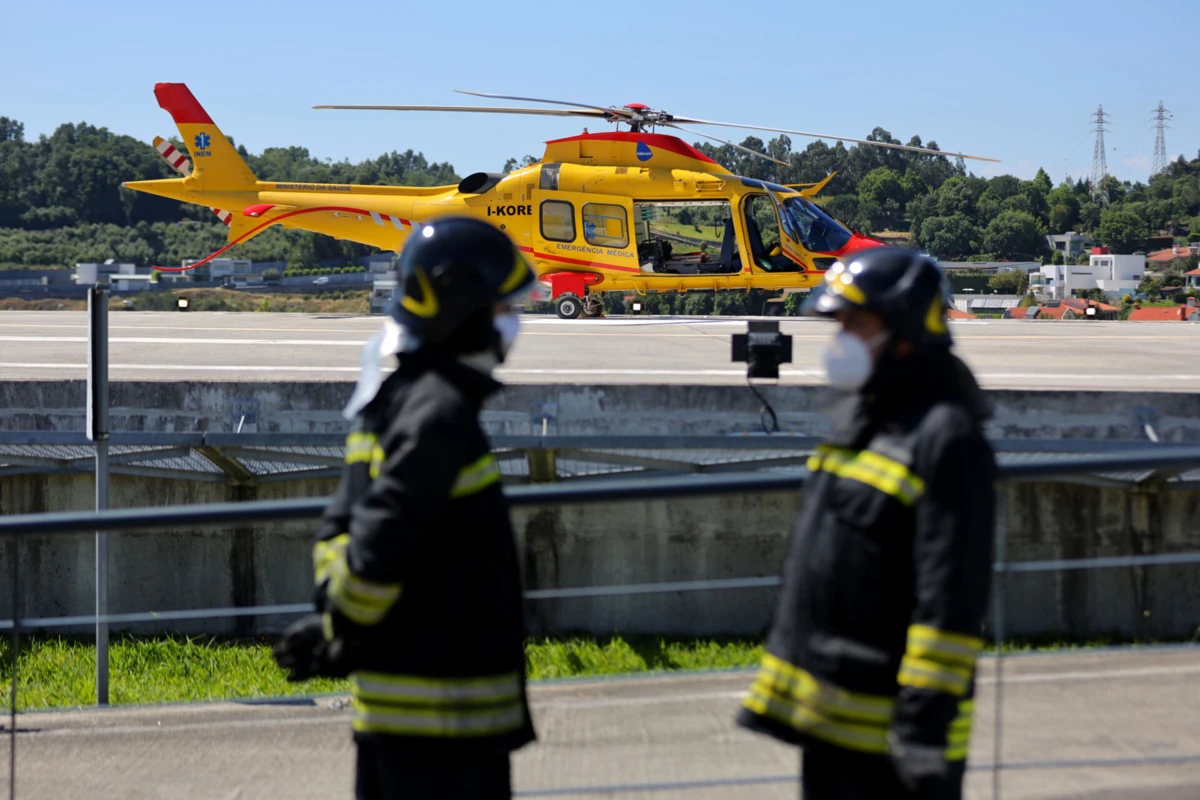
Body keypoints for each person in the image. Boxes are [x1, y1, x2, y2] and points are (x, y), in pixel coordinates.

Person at [273, 216, 537, 800]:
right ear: (463, 307)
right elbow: (378, 542)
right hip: (448, 723)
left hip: (402, 714)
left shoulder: (394, 400)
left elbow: (339, 531)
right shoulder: (439, 415)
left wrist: (337, 626)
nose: (514, 322)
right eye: (503, 308)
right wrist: (343, 625)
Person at [736, 248, 997, 799]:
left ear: (904, 331)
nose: (842, 340)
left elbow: (949, 607)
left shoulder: (946, 437)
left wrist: (922, 739)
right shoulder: (868, 419)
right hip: (833, 727)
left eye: (856, 324)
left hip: (892, 746)